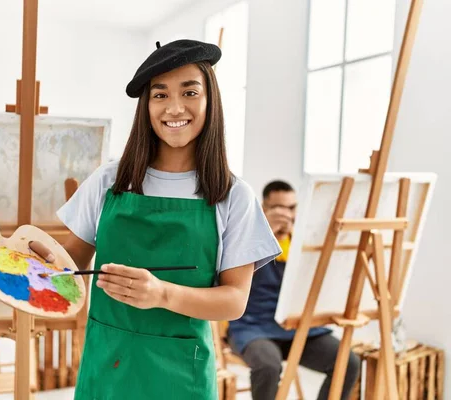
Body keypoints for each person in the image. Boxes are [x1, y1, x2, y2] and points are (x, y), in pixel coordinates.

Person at [46, 39, 282, 399]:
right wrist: (27, 267)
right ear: (146, 105)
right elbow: (68, 268)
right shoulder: (110, 181)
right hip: (108, 363)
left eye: (189, 92)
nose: (174, 107)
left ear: (210, 101)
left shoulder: (233, 195)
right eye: (160, 95)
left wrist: (161, 293)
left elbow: (234, 300)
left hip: (180, 373)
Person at [227, 180, 360, 400]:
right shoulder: (244, 238)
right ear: (264, 209)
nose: (285, 214)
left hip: (298, 326)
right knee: (268, 366)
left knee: (347, 362)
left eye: (291, 208)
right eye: (278, 208)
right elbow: (229, 279)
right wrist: (263, 234)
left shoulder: (303, 243)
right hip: (254, 326)